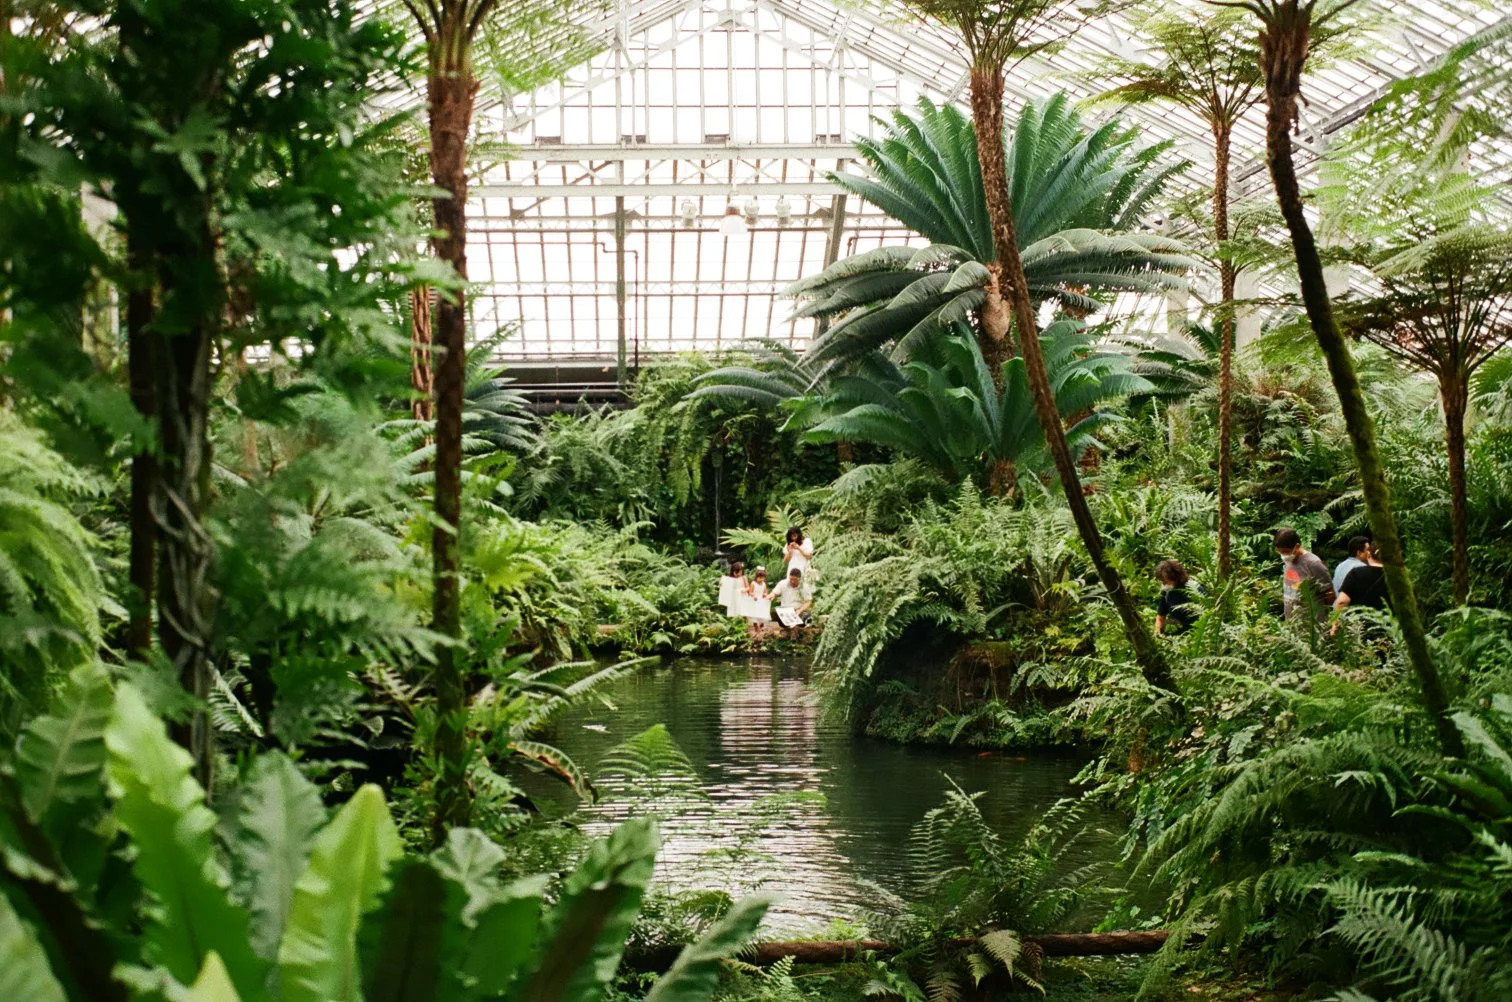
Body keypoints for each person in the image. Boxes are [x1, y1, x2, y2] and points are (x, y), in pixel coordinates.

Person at [1274, 527, 1335, 622]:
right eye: (1280, 552)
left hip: (1312, 623)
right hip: (1293, 621)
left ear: (1297, 546)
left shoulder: (1313, 563)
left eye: (1285, 552)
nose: (1283, 555)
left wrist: (1329, 618)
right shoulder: (1289, 559)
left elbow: (1329, 593)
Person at [1335, 541, 1389, 614]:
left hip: (1360, 622)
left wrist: (1336, 622)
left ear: (1369, 554)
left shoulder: (1356, 573)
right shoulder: (1397, 576)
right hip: (1390, 622)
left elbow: (1342, 602)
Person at [1153, 559, 1202, 636]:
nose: (1163, 584)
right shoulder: (1166, 592)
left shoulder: (1194, 587)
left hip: (1200, 633)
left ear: (1175, 576)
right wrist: (1157, 633)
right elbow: (1160, 616)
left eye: (1165, 580)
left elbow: (1209, 610)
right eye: (1162, 581)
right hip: (1177, 637)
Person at [769, 566, 814, 633]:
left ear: (799, 579)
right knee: (773, 613)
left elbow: (808, 602)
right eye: (791, 579)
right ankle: (788, 626)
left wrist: (800, 610)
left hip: (797, 611)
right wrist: (771, 596)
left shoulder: (804, 587)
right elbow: (774, 593)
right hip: (785, 611)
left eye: (795, 580)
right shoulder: (783, 583)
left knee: (807, 615)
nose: (792, 582)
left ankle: (795, 626)